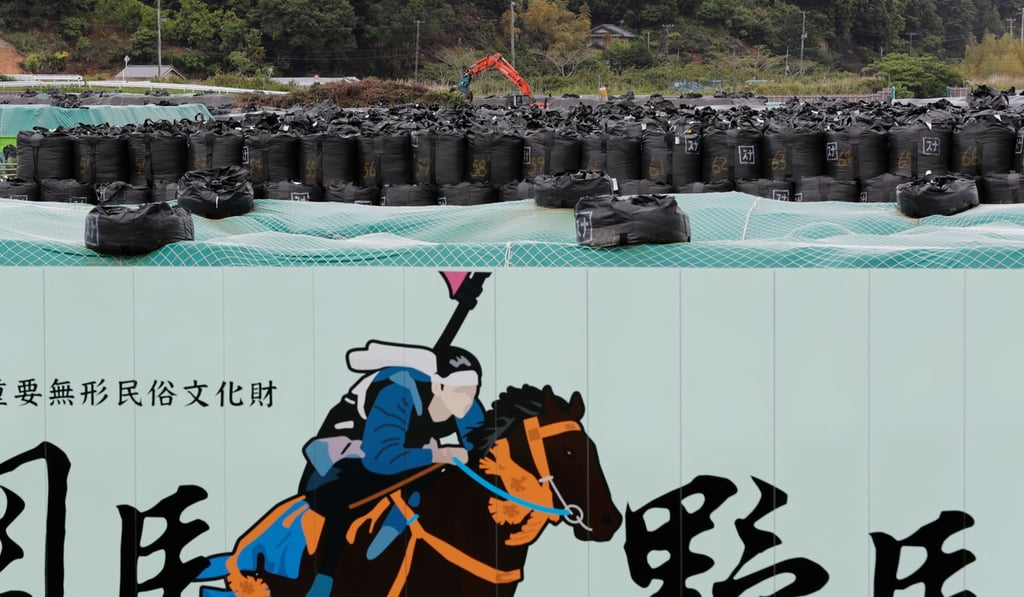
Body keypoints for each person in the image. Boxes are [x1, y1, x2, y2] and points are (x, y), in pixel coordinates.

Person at [299, 341, 486, 597]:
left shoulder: (466, 404)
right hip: (338, 467)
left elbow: (480, 448)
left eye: (473, 391)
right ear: (437, 385)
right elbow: (379, 458)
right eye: (461, 391)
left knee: (435, 476)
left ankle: (396, 524)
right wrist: (440, 453)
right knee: (348, 503)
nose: (468, 400)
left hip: (402, 465)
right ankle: (324, 578)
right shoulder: (398, 391)